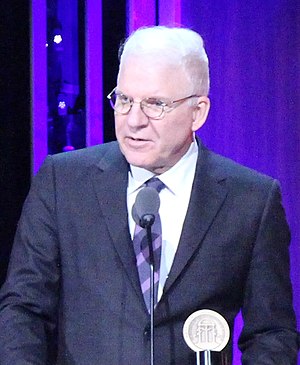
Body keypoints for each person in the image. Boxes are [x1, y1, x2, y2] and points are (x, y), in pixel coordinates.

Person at [0, 26, 298, 365]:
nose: (133, 120)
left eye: (155, 104)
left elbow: (272, 334)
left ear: (197, 112)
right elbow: (23, 309)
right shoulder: (63, 182)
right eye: (124, 100)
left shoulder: (251, 201)